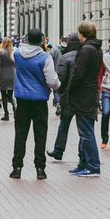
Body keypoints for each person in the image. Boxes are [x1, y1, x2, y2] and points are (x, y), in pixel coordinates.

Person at [9, 28, 60, 180]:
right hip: (39, 102)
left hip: (22, 100)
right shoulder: (45, 58)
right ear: (41, 41)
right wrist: (57, 84)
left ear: (26, 39)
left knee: (20, 134)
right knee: (40, 135)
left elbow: (13, 55)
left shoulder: (17, 54)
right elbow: (52, 82)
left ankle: (17, 167)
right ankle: (40, 168)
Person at [67, 22, 103, 177]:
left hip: (83, 95)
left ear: (82, 34)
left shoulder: (86, 50)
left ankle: (93, 165)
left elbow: (78, 73)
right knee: (85, 131)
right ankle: (83, 162)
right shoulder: (96, 49)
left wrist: (70, 89)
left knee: (86, 132)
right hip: (90, 92)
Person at [48, 32, 80, 160]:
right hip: (82, 97)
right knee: (83, 128)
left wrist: (60, 93)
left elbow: (61, 78)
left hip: (68, 97)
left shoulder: (65, 57)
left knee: (64, 125)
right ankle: (83, 153)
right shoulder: (85, 56)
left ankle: (59, 150)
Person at [0, 37, 16, 120]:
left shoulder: (1, 52)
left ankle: (6, 114)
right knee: (10, 95)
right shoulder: (13, 52)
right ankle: (15, 109)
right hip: (12, 73)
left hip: (3, 73)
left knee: (4, 95)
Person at [49, 36, 68, 107]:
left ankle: (58, 103)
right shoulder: (70, 49)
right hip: (67, 74)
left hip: (56, 73)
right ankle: (62, 104)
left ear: (60, 40)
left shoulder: (54, 50)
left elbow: (49, 59)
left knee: (56, 90)